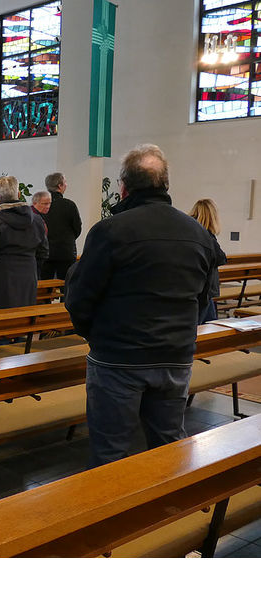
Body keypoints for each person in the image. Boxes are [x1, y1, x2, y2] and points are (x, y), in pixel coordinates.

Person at [65, 144, 218, 469]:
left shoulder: (110, 231)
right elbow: (204, 299)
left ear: (123, 187)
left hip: (118, 359)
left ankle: (112, 518)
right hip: (175, 357)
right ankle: (171, 516)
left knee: (111, 453)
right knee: (168, 446)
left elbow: (79, 298)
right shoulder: (199, 235)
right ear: (166, 184)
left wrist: (96, 337)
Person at [0, 176, 48, 311]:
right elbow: (43, 252)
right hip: (28, 277)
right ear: (19, 194)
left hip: (0, 278)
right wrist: (33, 269)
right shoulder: (36, 220)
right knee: (23, 321)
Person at [189, 198, 228, 323]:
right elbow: (220, 257)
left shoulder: (188, 231)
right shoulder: (207, 235)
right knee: (206, 324)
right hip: (205, 290)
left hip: (194, 287)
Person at [40, 172, 82, 280]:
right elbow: (77, 228)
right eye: (65, 182)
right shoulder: (69, 205)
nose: (66, 185)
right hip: (66, 252)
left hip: (46, 252)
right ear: (59, 185)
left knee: (45, 288)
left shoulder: (40, 205)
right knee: (66, 286)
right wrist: (68, 239)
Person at [30, 190, 52, 277]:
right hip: (35, 258)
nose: (48, 206)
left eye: (49, 203)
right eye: (45, 204)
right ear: (35, 203)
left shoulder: (41, 216)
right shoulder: (32, 217)